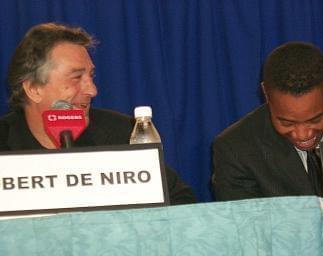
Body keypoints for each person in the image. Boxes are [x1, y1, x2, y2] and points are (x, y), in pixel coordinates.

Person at [0, 22, 196, 205]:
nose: (92, 90)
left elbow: (180, 199)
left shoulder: (122, 133)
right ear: (34, 89)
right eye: (76, 77)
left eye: (91, 76)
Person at [212, 41, 323, 201]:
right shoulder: (236, 149)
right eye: (287, 123)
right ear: (266, 93)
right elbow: (244, 224)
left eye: (316, 119)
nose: (302, 135)